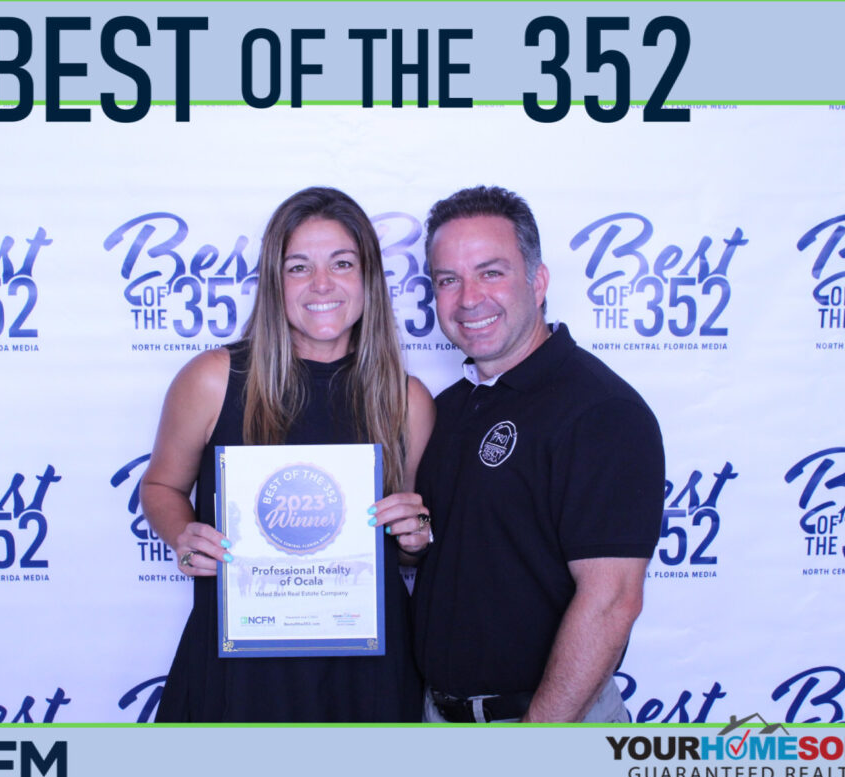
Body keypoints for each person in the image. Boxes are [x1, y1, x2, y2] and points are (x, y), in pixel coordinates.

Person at [141, 186, 435, 722]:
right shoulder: (213, 380)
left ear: (369, 277)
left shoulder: (406, 401)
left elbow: (409, 547)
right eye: (299, 267)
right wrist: (184, 536)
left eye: (342, 263)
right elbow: (161, 487)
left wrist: (416, 537)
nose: (322, 284)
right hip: (239, 667)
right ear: (275, 284)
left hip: (366, 673)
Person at [411, 185, 665, 723]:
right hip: (441, 716)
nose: (469, 298)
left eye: (491, 273)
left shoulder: (600, 410)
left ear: (539, 281)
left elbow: (612, 601)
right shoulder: (450, 409)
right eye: (448, 280)